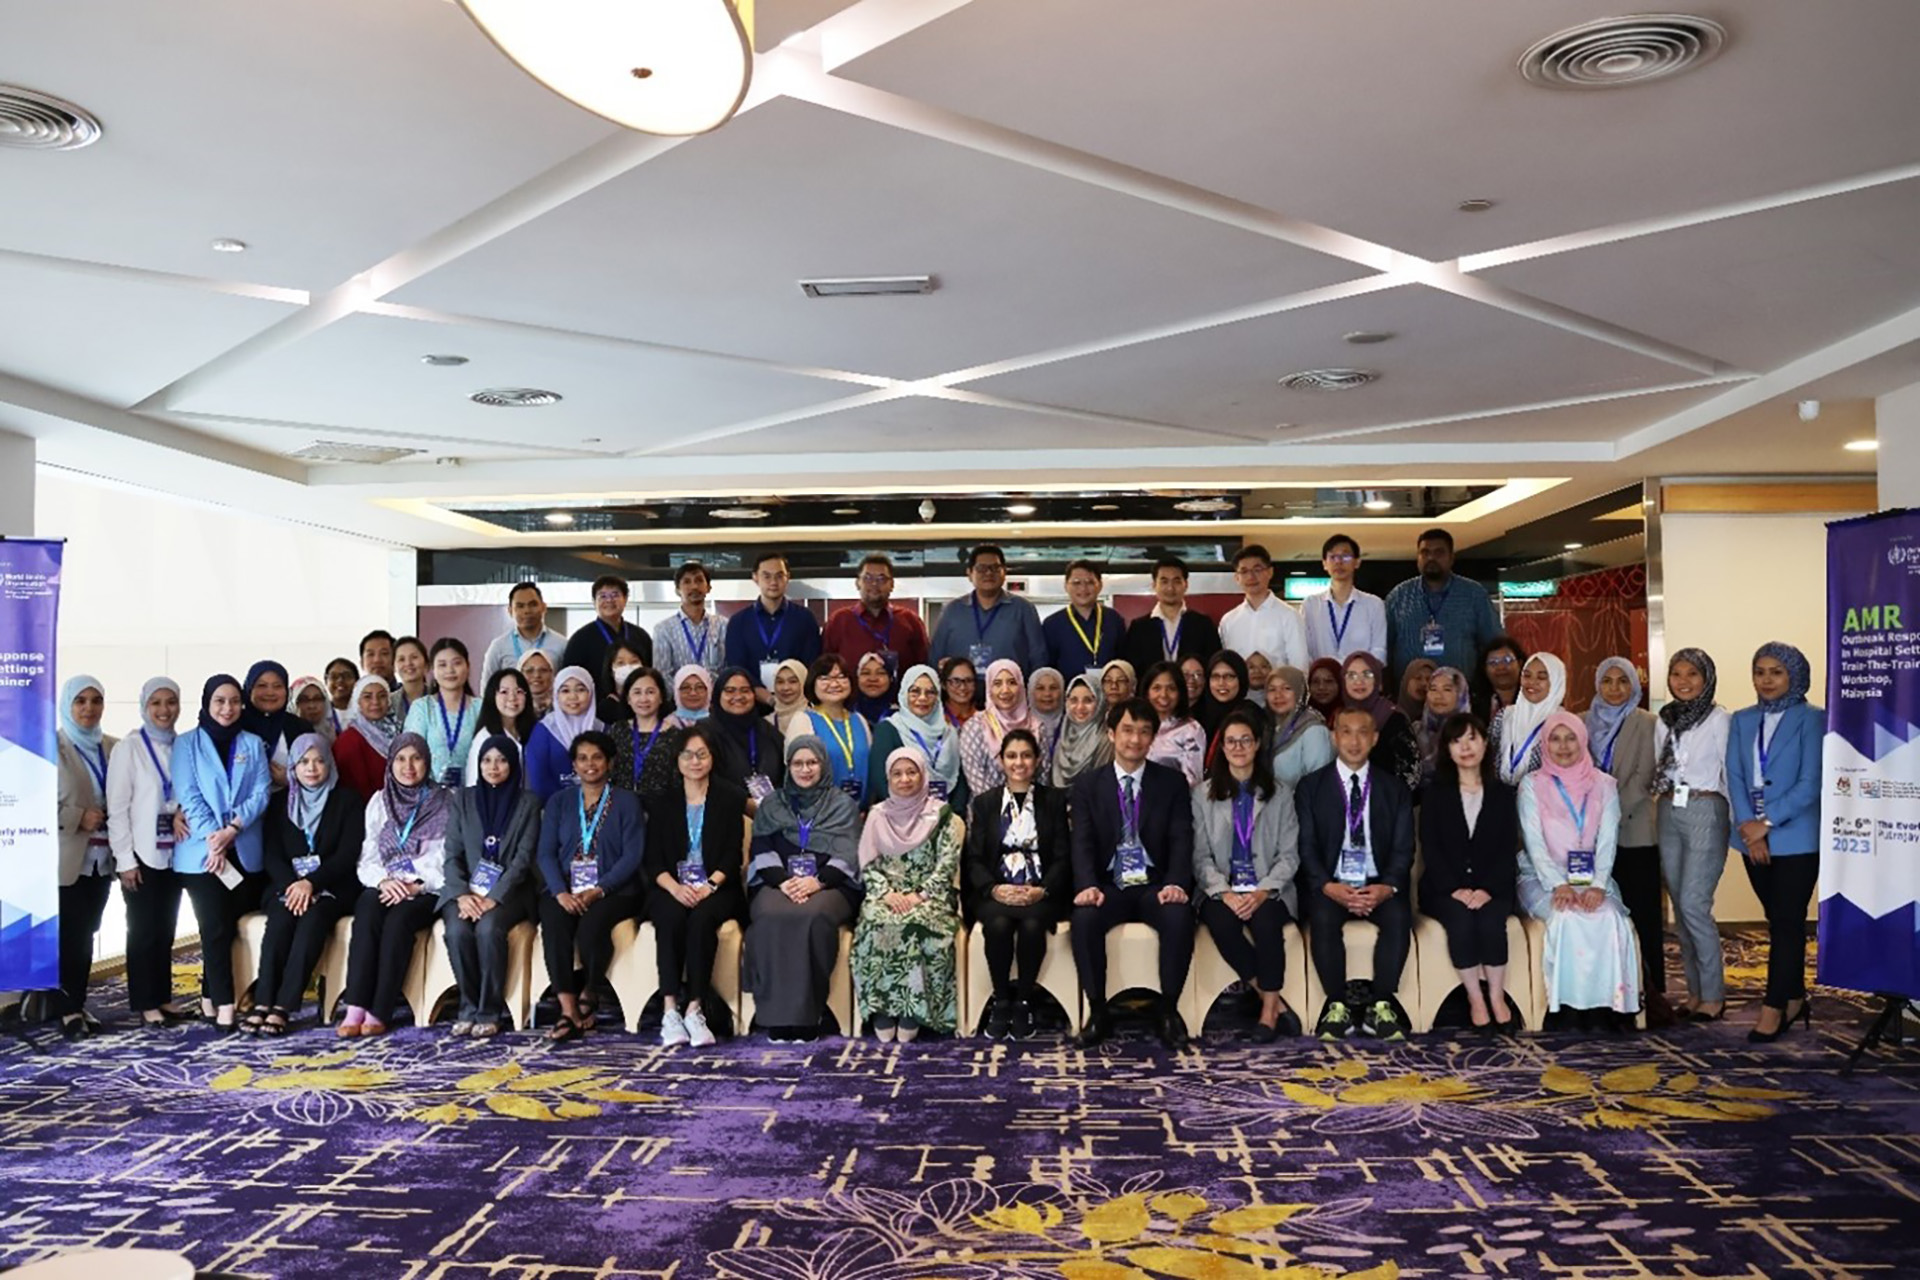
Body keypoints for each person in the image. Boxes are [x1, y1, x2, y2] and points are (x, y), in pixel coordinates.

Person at [1068, 698, 1196, 1050]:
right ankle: (1098, 1011)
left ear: (1153, 737)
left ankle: (1168, 1010)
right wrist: (1088, 886)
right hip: (1109, 885)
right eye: (1127, 730)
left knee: (1179, 916)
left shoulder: (1171, 783)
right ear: (1111, 734)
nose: (1135, 740)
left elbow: (1181, 837)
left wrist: (1175, 883)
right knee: (1085, 919)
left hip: (1154, 884)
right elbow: (1081, 842)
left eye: (1143, 732)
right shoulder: (1088, 786)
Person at [1297, 705, 1415, 1041]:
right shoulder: (1311, 787)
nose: (1354, 740)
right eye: (1345, 731)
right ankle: (1337, 1006)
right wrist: (1326, 886)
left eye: (1363, 732)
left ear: (1375, 738)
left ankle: (1381, 1004)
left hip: (1377, 884)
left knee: (1398, 916)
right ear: (1334, 738)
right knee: (1321, 917)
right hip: (1331, 886)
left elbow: (1404, 848)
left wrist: (1387, 887)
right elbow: (1307, 847)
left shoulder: (1394, 789)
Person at [1518, 712, 1642, 1029]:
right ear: (1545, 744)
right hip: (1542, 878)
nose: (1563, 746)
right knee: (1566, 917)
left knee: (1610, 917)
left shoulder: (1604, 784)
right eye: (1555, 739)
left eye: (1570, 737)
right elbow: (1534, 842)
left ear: (1582, 740)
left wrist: (1598, 885)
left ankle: (1611, 1007)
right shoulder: (1532, 785)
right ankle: (1567, 1008)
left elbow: (1607, 840)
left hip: (1594, 878)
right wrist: (1558, 884)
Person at [1727, 642, 1823, 1043]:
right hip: (1751, 837)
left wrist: (1767, 822)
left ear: (1794, 676)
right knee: (1779, 921)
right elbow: (1734, 775)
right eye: (1760, 671)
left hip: (1796, 838)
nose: (1766, 680)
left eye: (1776, 672)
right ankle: (1796, 996)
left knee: (1786, 922)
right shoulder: (1741, 720)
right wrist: (1750, 828)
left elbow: (1811, 783)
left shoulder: (1813, 719)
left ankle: (1774, 1007)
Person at [1192, 707, 1302, 1042]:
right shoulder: (1202, 794)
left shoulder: (1281, 794)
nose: (1238, 748)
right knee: (1223, 924)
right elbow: (1200, 857)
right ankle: (1276, 1001)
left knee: (1268, 924)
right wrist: (1224, 892)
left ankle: (1268, 1013)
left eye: (1245, 740)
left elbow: (1289, 855)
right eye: (1231, 742)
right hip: (1220, 889)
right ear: (1222, 748)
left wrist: (1262, 891)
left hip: (1269, 888)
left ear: (1256, 745)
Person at [744, 736, 863, 1041]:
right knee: (770, 915)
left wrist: (817, 881)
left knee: (812, 916)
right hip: (777, 882)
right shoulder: (772, 804)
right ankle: (776, 1017)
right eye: (798, 763)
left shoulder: (843, 804)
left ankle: (809, 1013)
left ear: (824, 765)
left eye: (812, 762)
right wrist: (783, 881)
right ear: (788, 766)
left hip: (830, 885)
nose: (805, 769)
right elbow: (761, 846)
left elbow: (849, 853)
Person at [174, 674, 272, 1031]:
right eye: (219, 701)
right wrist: (214, 838)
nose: (227, 708)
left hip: (243, 850)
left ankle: (208, 996)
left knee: (231, 929)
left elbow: (261, 793)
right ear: (206, 703)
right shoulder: (186, 745)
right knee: (213, 929)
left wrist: (233, 830)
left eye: (234, 701)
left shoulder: (252, 743)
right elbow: (189, 794)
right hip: (202, 854)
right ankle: (226, 1006)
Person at [536, 730, 647, 1042]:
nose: (590, 764)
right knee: (554, 922)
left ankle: (591, 989)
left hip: (615, 890)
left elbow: (632, 855)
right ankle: (568, 1009)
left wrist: (600, 888)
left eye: (597, 757)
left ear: (609, 762)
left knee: (591, 927)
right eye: (582, 758)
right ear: (573, 764)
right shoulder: (559, 802)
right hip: (565, 888)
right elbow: (545, 853)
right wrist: (559, 892)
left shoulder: (627, 801)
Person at [250, 733, 363, 1035]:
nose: (312, 768)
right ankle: (263, 1002)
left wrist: (311, 883)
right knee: (281, 919)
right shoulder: (278, 804)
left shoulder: (348, 800)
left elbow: (348, 854)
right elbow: (271, 855)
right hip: (288, 886)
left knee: (313, 919)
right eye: (303, 762)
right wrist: (294, 885)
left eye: (319, 761)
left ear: (330, 764)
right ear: (293, 767)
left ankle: (284, 1005)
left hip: (332, 887)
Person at [645, 723, 748, 1048]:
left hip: (717, 886)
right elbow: (653, 861)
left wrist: (709, 886)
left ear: (712, 758)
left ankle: (695, 1008)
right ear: (677, 760)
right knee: (671, 918)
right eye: (687, 755)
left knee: (703, 919)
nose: (695, 761)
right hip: (670, 886)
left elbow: (733, 856)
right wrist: (675, 888)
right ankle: (670, 1009)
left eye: (701, 755)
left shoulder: (729, 797)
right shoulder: (662, 801)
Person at [339, 733, 449, 1038]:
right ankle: (356, 1005)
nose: (408, 766)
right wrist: (384, 881)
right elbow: (368, 854)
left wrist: (415, 885)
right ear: (391, 763)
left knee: (399, 922)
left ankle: (380, 1009)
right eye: (400, 759)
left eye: (416, 758)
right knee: (368, 913)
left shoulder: (444, 800)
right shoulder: (379, 800)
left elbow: (445, 858)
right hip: (385, 884)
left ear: (427, 762)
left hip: (424, 889)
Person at [852, 747, 964, 1042]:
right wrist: (886, 893)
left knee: (914, 926)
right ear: (888, 778)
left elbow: (947, 864)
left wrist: (920, 896)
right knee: (877, 924)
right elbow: (868, 863)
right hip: (886, 896)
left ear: (923, 774)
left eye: (912, 772)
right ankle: (883, 1008)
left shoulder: (942, 815)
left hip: (930, 897)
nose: (905, 779)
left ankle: (913, 1009)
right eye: (897, 774)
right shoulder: (877, 815)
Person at [1418, 714, 1520, 1032]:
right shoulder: (1435, 794)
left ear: (1485, 744)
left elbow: (1507, 849)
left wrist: (1487, 889)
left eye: (1472, 738)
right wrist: (1455, 888)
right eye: (1456, 740)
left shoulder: (1503, 795)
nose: (1465, 747)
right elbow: (1430, 848)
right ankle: (1476, 999)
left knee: (1491, 921)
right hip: (1443, 889)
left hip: (1493, 887)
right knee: (1461, 921)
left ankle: (1497, 997)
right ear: (1447, 750)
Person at [966, 729, 1070, 1039]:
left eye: (1026, 755)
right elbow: (973, 859)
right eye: (1011, 756)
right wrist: (994, 889)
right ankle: (1000, 999)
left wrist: (1043, 888)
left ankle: (1024, 1000)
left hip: (1040, 889)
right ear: (1001, 760)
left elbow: (1064, 856)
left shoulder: (1052, 800)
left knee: (1031, 925)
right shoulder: (985, 803)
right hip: (997, 888)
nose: (1019, 762)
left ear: (1037, 760)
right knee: (997, 924)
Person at [1585, 657, 1668, 1024]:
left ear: (1634, 685)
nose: (1615, 688)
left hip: (1634, 832)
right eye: (1608, 681)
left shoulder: (1648, 723)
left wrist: (1608, 811)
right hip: (1589, 834)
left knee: (1642, 913)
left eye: (1623, 681)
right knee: (1600, 913)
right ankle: (1605, 990)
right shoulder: (1583, 722)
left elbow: (1645, 776)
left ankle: (1651, 991)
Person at [440, 734, 540, 1038]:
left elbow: (523, 859)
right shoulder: (463, 799)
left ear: (513, 764)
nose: (493, 767)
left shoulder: (529, 802)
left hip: (511, 892)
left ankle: (489, 1011)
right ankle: (468, 1008)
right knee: (457, 931)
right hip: (466, 891)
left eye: (501, 760)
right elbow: (452, 853)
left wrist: (494, 896)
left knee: (488, 929)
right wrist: (461, 894)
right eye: (486, 760)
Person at [110, 677, 194, 1027]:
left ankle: (162, 996)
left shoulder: (183, 745)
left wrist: (179, 809)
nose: (164, 710)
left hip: (175, 852)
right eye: (156, 703)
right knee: (142, 930)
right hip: (140, 853)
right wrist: (125, 860)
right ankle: (145, 1002)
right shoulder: (129, 748)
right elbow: (117, 808)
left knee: (165, 927)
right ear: (144, 706)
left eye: (171, 702)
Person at [1654, 647, 1731, 1022]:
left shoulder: (1719, 719)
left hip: (1705, 808)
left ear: (1707, 678)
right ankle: (1695, 993)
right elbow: (1661, 766)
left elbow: (1730, 772)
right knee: (1680, 912)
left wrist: (1739, 822)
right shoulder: (1664, 718)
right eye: (1676, 674)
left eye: (1692, 675)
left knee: (1694, 904)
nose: (1683, 682)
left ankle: (1715, 994)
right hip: (1668, 808)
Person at [54, 675, 117, 1036]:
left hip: (103, 859)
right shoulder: (50, 748)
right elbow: (25, 801)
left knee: (88, 931)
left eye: (96, 700)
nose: (89, 708)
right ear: (67, 704)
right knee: (70, 935)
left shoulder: (113, 747)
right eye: (80, 701)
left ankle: (76, 1003)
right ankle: (67, 1009)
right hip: (67, 860)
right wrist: (77, 817)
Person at [1383, 528, 1501, 684]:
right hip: (1409, 698)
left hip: (1461, 696)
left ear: (1451, 558)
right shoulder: (1398, 597)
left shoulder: (1474, 595)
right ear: (1417, 558)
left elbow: (1494, 645)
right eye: (1425, 552)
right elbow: (1385, 648)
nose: (1431, 557)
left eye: (1439, 552)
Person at [723, 552, 823, 703]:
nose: (773, 582)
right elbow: (737, 668)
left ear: (787, 577)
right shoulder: (738, 622)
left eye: (779, 576)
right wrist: (763, 695)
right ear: (755, 578)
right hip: (750, 703)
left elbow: (812, 664)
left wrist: (791, 694)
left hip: (796, 703)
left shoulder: (805, 619)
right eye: (767, 576)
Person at [869, 664, 965, 809]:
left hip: (946, 816)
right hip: (901, 816)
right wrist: (912, 813)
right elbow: (880, 779)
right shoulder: (889, 729)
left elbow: (960, 779)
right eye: (915, 691)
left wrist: (951, 815)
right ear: (903, 694)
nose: (922, 698)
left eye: (930, 692)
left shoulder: (949, 732)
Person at [824, 553, 930, 678]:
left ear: (892, 585)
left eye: (881, 579)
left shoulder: (910, 621)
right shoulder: (838, 621)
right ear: (857, 583)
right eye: (867, 578)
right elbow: (825, 668)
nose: (874, 584)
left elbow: (924, 668)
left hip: (898, 697)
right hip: (851, 697)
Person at [789, 654, 873, 804]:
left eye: (841, 677)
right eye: (825, 678)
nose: (834, 684)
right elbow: (797, 773)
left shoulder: (859, 720)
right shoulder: (803, 720)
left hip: (860, 813)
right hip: (821, 816)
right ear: (812, 683)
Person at [1123, 556, 1223, 675]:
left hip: (1191, 692)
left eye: (1176, 581)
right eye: (1164, 581)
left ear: (1185, 585)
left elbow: (1213, 666)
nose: (1170, 588)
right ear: (1154, 585)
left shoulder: (1203, 625)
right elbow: (1132, 670)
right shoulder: (1139, 627)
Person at [562, 574, 655, 699]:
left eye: (615, 595)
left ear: (625, 599)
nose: (609, 600)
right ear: (594, 601)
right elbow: (570, 679)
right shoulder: (580, 639)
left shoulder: (640, 635)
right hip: (596, 708)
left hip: (639, 705)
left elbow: (651, 672)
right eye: (603, 596)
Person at [1219, 545, 1309, 671]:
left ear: (1270, 572)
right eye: (1244, 571)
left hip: (1278, 690)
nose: (1251, 577)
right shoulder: (1228, 621)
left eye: (1257, 569)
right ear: (1237, 578)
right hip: (1241, 691)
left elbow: (1299, 665)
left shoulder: (1289, 615)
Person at [402, 638, 479, 788]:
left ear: (467, 667)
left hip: (472, 797)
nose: (450, 670)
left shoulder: (481, 708)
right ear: (433, 670)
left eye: (457, 663)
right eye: (442, 665)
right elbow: (410, 753)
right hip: (429, 796)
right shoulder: (422, 708)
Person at [1302, 534, 1389, 664]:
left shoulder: (1374, 604)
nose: (1339, 562)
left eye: (1346, 556)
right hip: (1322, 681)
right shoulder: (1310, 605)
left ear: (1357, 562)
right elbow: (1304, 650)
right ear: (1324, 564)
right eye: (1333, 557)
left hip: (1360, 681)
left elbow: (1379, 650)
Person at [1341, 653, 1422, 792]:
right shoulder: (1340, 718)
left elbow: (1411, 773)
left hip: (1388, 804)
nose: (1359, 681)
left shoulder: (1393, 718)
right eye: (1351, 675)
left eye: (1367, 675)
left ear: (1378, 681)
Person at [709, 667, 786, 807]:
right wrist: (744, 802)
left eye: (745, 690)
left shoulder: (768, 731)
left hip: (772, 812)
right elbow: (708, 779)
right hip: (725, 812)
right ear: (718, 695)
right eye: (730, 691)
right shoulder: (705, 732)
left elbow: (785, 771)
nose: (738, 696)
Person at [960, 658, 1038, 798]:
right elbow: (976, 781)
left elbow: (1042, 779)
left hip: (1031, 810)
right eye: (997, 683)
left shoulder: (1036, 726)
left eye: (1012, 682)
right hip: (988, 812)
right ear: (989, 688)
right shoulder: (975, 727)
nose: (1005, 690)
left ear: (1020, 686)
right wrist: (1006, 811)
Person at [526, 666, 604, 802]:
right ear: (556, 694)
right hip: (555, 809)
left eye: (580, 689)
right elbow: (539, 780)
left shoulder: (603, 729)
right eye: (565, 690)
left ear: (591, 692)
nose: (573, 696)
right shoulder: (543, 730)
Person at [1492, 653, 1567, 786]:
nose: (1532, 682)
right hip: (1500, 799)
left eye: (1542, 677)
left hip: (1541, 802)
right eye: (1527, 675)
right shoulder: (1504, 716)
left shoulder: (1563, 724)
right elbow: (1488, 757)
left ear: (1556, 681)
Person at [1044, 559, 1127, 677]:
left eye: (1090, 582)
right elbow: (1049, 670)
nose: (1083, 589)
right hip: (1069, 693)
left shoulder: (1114, 619)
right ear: (1066, 586)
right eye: (1076, 583)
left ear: (1100, 585)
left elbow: (1124, 662)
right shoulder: (1052, 624)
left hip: (1110, 692)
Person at [651, 561, 730, 679]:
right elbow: (662, 675)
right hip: (678, 696)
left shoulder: (723, 625)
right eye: (687, 582)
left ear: (708, 587)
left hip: (717, 696)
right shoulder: (663, 629)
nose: (694, 586)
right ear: (677, 590)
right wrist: (687, 694)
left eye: (699, 580)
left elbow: (729, 668)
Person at [464, 667, 536, 786]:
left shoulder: (532, 732)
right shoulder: (485, 737)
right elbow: (473, 784)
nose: (512, 698)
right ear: (492, 697)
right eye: (504, 692)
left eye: (519, 691)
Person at [334, 675, 400, 803]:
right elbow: (352, 790)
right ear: (358, 702)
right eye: (367, 697)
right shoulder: (349, 740)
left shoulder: (398, 730)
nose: (375, 702)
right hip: (369, 813)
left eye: (382, 696)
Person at [480, 581, 566, 679]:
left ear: (543, 607)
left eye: (533, 604)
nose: (527, 611)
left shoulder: (561, 645)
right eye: (520, 606)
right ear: (510, 610)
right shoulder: (498, 647)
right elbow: (487, 689)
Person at [1266, 666, 1333, 791]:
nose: (1278, 695)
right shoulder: (1265, 726)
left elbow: (1318, 783)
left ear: (1299, 691)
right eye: (1272, 689)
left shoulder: (1313, 729)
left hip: (1299, 806)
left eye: (1286, 688)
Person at [240, 660, 304, 791]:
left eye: (277, 686)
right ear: (249, 689)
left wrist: (290, 780)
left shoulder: (300, 727)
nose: (270, 692)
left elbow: (317, 773)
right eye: (262, 685)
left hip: (288, 806)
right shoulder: (235, 725)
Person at [1141, 660, 1207, 785]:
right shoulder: (1138, 726)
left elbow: (1193, 781)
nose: (1163, 695)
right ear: (1147, 692)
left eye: (1171, 688)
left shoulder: (1191, 730)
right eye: (1157, 688)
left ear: (1180, 693)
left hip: (1173, 800)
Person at [1051, 674, 1112, 789]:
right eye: (1073, 700)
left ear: (1100, 702)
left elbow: (1101, 786)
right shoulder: (1063, 737)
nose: (1080, 707)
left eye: (1088, 700)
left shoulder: (1105, 740)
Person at [1196, 650, 1259, 754]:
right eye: (1215, 677)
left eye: (1229, 676)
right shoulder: (1198, 714)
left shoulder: (1252, 715)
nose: (1221, 683)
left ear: (1241, 679)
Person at [1418, 666, 1470, 786]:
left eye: (1447, 690)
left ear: (1460, 694)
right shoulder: (1415, 730)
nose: (1439, 696)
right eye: (1433, 689)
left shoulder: (1471, 734)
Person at [597, 638, 651, 725]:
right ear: (610, 670)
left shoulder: (652, 701)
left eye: (634, 662)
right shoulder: (605, 708)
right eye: (620, 663)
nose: (628, 667)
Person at [1474, 634, 1529, 720]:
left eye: (1507, 660)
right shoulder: (1475, 703)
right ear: (1484, 668)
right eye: (1493, 662)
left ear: (1520, 663)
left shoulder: (1532, 696)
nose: (1501, 667)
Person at [1027, 666, 1066, 764]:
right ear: (1031, 692)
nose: (1047, 693)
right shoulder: (1022, 725)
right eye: (1040, 688)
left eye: (1053, 688)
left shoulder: (1071, 725)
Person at [767, 658, 811, 737]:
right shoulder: (766, 724)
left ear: (803, 683)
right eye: (780, 682)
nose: (786, 688)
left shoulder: (816, 720)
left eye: (793, 681)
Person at [852, 652, 896, 731]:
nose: (873, 679)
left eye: (880, 673)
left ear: (891, 679)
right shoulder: (846, 714)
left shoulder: (901, 716)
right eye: (866, 673)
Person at [392, 636, 430, 722]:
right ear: (394, 667)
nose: (408, 663)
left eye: (414, 657)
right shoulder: (389, 703)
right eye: (401, 659)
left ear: (426, 664)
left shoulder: (440, 699)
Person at [289, 675, 336, 743]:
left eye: (317, 699)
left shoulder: (336, 733)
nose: (312, 706)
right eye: (304, 700)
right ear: (293, 704)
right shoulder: (283, 738)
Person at [323, 658, 360, 737]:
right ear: (326, 681)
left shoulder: (365, 711)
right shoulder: (321, 713)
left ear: (357, 681)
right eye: (334, 676)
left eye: (346, 676)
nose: (340, 680)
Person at [940, 657, 979, 729]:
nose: (963, 687)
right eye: (956, 681)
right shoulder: (937, 717)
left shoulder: (984, 718)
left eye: (969, 680)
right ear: (943, 684)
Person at [519, 648, 556, 717]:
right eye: (529, 670)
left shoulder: (562, 705)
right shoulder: (512, 706)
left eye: (543, 670)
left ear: (551, 673)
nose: (537, 675)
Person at [1397, 659, 1435, 724]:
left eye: (1428, 679)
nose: (1424, 683)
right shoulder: (1390, 716)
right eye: (1418, 678)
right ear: (1406, 682)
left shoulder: (1440, 719)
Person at [1306, 657, 1344, 722]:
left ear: (1340, 683)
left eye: (1329, 681)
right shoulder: (1302, 718)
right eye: (1315, 681)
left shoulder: (1350, 716)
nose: (1321, 687)